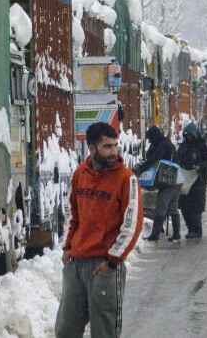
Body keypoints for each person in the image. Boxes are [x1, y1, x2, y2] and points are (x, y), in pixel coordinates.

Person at [56, 122, 143, 338]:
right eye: (107, 147)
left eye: (115, 145)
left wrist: (113, 262)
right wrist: (68, 246)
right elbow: (73, 215)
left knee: (104, 331)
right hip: (77, 264)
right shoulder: (80, 173)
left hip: (104, 266)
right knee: (65, 329)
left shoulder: (126, 179)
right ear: (92, 148)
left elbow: (132, 224)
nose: (114, 152)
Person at [133, 126, 179, 241]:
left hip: (169, 178)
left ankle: (155, 234)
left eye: (150, 138)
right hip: (176, 177)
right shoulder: (162, 143)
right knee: (172, 207)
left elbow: (154, 159)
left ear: (154, 136)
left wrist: (140, 169)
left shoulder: (162, 145)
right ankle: (176, 234)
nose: (150, 141)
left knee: (161, 205)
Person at [175, 122, 207, 239]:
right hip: (185, 178)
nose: (188, 138)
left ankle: (197, 229)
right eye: (186, 136)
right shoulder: (183, 146)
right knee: (184, 204)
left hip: (198, 179)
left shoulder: (203, 145)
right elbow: (177, 158)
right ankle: (190, 228)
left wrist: (200, 166)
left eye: (190, 136)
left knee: (195, 205)